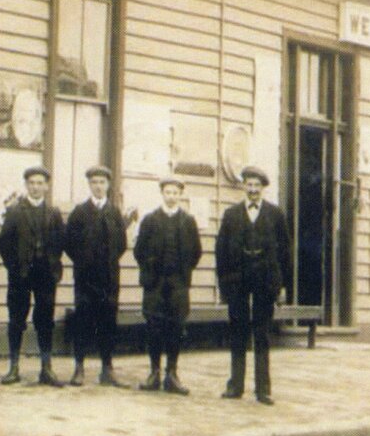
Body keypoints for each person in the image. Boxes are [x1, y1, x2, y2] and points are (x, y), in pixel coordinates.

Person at [215, 165, 291, 405]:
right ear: (243, 186)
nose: (253, 190)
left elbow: (285, 253)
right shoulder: (231, 214)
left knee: (262, 334)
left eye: (257, 186)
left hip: (265, 281)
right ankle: (235, 385)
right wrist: (224, 284)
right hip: (237, 280)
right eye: (249, 185)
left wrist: (281, 286)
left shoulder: (275, 215)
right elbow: (221, 251)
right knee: (237, 332)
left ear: (263, 188)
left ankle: (263, 389)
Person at [0, 165, 66, 387]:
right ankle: (14, 367)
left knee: (45, 321)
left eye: (40, 183)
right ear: (26, 185)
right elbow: (3, 243)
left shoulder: (53, 213)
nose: (36, 187)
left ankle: (46, 368)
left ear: (46, 186)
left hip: (45, 276)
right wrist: (14, 267)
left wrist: (53, 263)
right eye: (32, 183)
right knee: (16, 320)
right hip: (21, 276)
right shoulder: (16, 211)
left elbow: (60, 242)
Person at [132, 177, 201, 395]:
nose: (171, 196)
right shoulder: (150, 220)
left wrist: (183, 272)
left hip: (178, 284)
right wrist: (151, 270)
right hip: (155, 284)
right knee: (153, 326)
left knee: (176, 327)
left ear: (181, 195)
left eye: (175, 192)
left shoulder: (188, 221)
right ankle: (154, 372)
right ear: (162, 193)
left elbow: (196, 251)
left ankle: (172, 373)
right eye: (167, 192)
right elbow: (139, 250)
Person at [64, 165, 129, 387]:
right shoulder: (79, 213)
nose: (98, 186)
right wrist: (85, 262)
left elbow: (121, 244)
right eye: (94, 182)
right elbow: (69, 244)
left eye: (102, 182)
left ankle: (107, 368)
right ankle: (79, 367)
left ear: (108, 185)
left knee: (108, 321)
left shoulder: (114, 213)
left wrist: (106, 263)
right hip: (85, 278)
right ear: (89, 185)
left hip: (109, 278)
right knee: (82, 320)